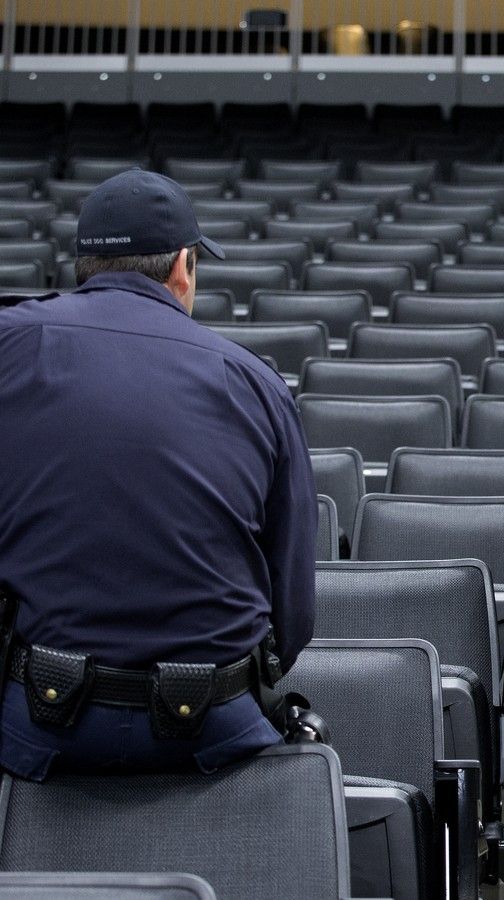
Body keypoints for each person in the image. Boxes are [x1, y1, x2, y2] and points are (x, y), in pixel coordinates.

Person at [0, 169, 316, 781]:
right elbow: (293, 618)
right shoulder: (255, 381)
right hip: (213, 731)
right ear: (182, 267)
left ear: (83, 267)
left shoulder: (11, 344)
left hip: (36, 723)